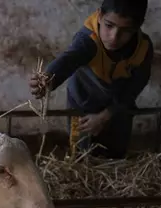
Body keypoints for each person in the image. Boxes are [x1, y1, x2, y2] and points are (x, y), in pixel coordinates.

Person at [30, 0, 153, 159]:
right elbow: (68, 60)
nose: (114, 37)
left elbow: (135, 87)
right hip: (83, 102)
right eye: (109, 26)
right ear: (100, 16)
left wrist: (105, 116)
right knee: (81, 153)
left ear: (138, 27)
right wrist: (46, 80)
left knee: (116, 153)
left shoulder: (142, 48)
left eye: (126, 30)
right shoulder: (88, 39)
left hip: (117, 105)